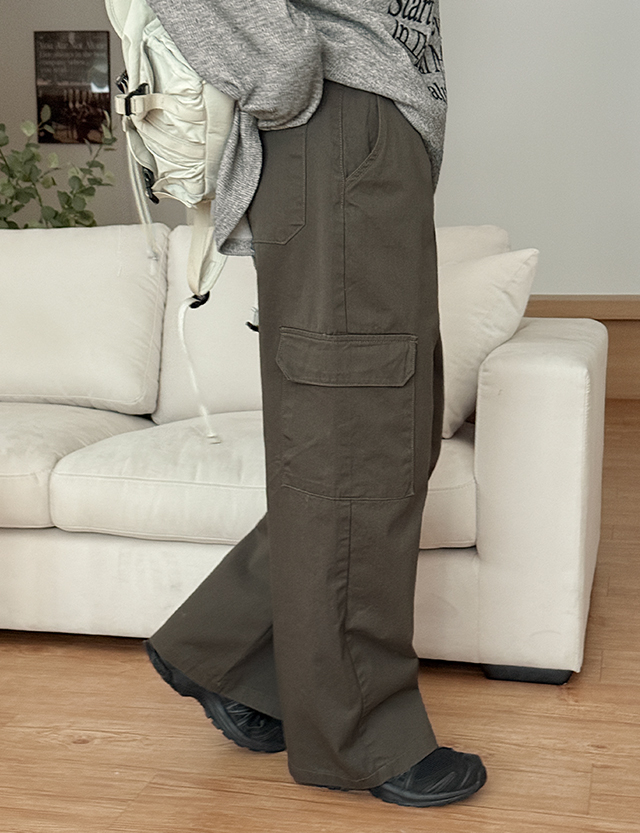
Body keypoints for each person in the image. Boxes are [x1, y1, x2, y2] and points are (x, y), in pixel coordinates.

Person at [143, 0, 487, 807]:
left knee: (394, 438)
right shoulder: (316, 89)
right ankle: (359, 738)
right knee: (358, 444)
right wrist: (284, 67)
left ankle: (225, 649)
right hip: (336, 122)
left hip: (371, 137)